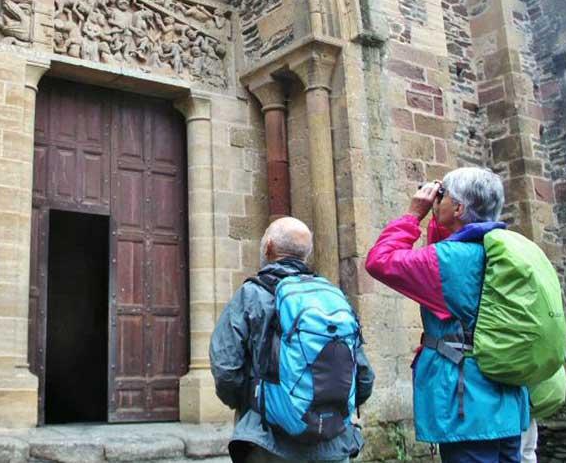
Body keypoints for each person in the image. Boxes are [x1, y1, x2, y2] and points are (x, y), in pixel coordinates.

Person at [365, 167, 530, 463]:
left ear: (458, 208)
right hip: (506, 401)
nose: (436, 200)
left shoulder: (449, 262)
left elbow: (381, 261)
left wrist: (413, 215)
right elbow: (448, 251)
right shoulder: (505, 249)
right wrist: (443, 218)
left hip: (467, 408)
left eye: (444, 197)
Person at [210, 217, 374, 463]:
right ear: (305, 255)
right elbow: (364, 375)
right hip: (333, 443)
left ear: (268, 247)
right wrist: (330, 411)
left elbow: (225, 367)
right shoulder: (332, 296)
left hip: (270, 442)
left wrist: (253, 402)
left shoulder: (251, 294)